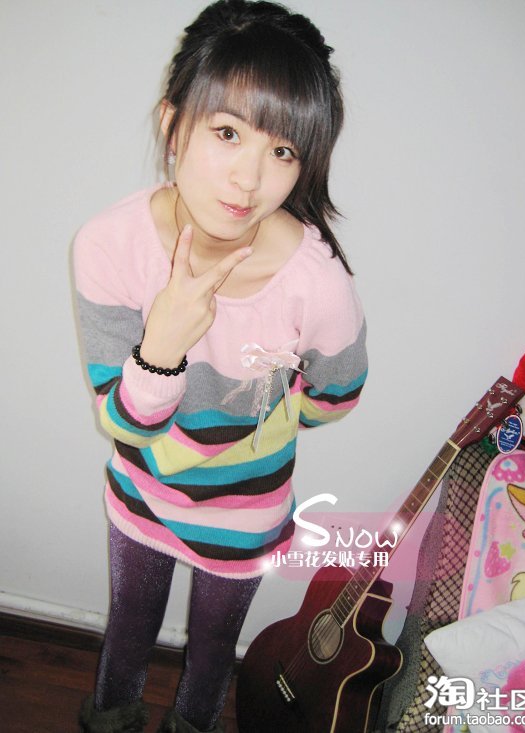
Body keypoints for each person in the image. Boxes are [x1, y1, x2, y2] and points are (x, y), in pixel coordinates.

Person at [73, 1, 368, 731]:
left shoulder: (318, 283)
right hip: (143, 491)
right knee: (127, 628)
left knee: (212, 652)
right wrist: (164, 345)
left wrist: (267, 419)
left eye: (283, 150)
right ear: (174, 125)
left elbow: (338, 395)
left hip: (247, 510)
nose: (248, 179)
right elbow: (124, 422)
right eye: (228, 132)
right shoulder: (110, 244)